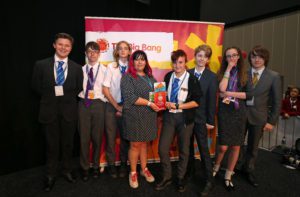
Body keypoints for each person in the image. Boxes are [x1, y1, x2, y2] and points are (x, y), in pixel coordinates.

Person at [31, 33, 83, 191]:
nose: (63, 48)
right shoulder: (41, 65)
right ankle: (50, 175)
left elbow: (79, 88)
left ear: (71, 48)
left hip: (69, 113)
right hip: (49, 111)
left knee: (68, 145)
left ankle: (67, 170)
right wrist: (51, 98)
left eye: (67, 45)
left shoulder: (77, 67)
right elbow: (35, 87)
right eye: (60, 44)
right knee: (51, 146)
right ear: (54, 45)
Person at [155, 49, 202, 192]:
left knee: (184, 150)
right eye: (175, 62)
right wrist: (159, 103)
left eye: (180, 62)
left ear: (185, 63)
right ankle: (167, 176)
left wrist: (178, 105)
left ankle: (180, 178)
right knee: (162, 148)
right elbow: (162, 96)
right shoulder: (168, 76)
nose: (177, 65)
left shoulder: (192, 79)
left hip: (185, 118)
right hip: (169, 117)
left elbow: (196, 102)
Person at [239, 45, 281, 187]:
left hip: (259, 117)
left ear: (265, 59)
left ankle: (248, 170)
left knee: (253, 147)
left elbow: (276, 101)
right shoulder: (244, 73)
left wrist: (272, 121)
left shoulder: (274, 76)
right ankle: (238, 166)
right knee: (237, 143)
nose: (257, 59)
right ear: (250, 58)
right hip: (241, 114)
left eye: (260, 57)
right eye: (254, 56)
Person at [120, 50, 160, 189]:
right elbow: (130, 97)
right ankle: (133, 172)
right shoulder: (127, 77)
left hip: (148, 116)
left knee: (143, 144)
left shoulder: (151, 77)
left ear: (146, 61)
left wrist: (162, 102)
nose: (140, 62)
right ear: (132, 62)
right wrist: (150, 103)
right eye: (136, 59)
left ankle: (144, 169)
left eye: (142, 59)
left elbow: (156, 95)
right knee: (135, 145)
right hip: (133, 116)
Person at [213, 46, 248, 190]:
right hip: (225, 112)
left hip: (239, 113)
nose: (232, 58)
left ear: (239, 56)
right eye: (228, 56)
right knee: (223, 146)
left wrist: (229, 94)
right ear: (226, 59)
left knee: (236, 145)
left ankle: (228, 174)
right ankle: (216, 166)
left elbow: (248, 95)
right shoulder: (221, 72)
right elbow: (221, 88)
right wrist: (228, 69)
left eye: (234, 55)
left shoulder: (246, 74)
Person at [187, 45, 217, 196]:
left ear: (208, 59)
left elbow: (212, 101)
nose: (201, 58)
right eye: (199, 55)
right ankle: (190, 171)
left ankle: (209, 180)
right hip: (186, 117)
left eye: (205, 56)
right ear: (195, 56)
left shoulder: (212, 77)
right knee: (188, 148)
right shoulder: (187, 73)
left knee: (204, 149)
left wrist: (210, 121)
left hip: (201, 119)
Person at [78, 41, 107, 181]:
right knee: (84, 138)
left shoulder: (105, 70)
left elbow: (108, 90)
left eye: (95, 51)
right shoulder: (80, 70)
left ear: (99, 54)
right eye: (89, 51)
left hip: (98, 104)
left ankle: (95, 166)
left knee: (97, 137)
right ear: (86, 53)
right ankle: (84, 168)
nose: (92, 54)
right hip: (83, 104)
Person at [102, 41, 131, 178]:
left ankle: (124, 165)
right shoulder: (111, 67)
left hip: (129, 108)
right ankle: (111, 165)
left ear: (130, 51)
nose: (123, 51)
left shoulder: (133, 67)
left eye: (126, 48)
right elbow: (105, 89)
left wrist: (124, 107)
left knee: (126, 138)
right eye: (120, 48)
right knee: (111, 137)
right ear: (117, 51)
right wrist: (116, 106)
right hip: (111, 106)